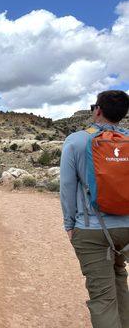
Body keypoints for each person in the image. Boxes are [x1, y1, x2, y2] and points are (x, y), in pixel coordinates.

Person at [60, 90, 129, 328]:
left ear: (97, 110)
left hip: (91, 230)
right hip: (127, 227)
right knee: (119, 277)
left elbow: (68, 187)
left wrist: (69, 225)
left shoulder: (77, 140)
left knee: (102, 298)